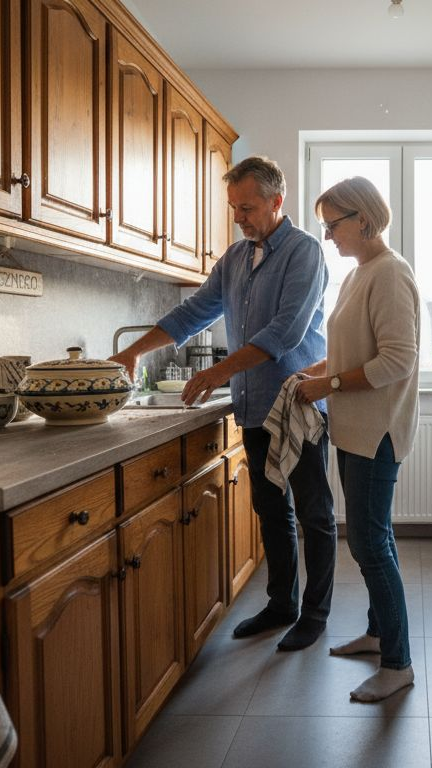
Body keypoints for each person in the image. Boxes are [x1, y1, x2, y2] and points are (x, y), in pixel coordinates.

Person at [110, 156, 336, 652]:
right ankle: (282, 605)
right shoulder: (234, 258)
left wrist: (218, 372)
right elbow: (193, 312)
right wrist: (134, 351)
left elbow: (285, 332)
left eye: (247, 208)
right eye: (234, 207)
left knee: (314, 515)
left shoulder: (305, 252)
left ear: (277, 202)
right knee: (271, 512)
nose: (238, 217)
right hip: (253, 407)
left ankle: (315, 614)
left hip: (297, 404)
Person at [294, 176, 420, 702]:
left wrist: (329, 385)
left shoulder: (390, 273)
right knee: (375, 538)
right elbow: (353, 350)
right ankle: (377, 633)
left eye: (333, 225)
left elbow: (398, 359)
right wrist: (315, 372)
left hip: (377, 433)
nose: (327, 236)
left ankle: (398, 664)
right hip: (355, 430)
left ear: (362, 219)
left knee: (370, 544)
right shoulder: (357, 275)